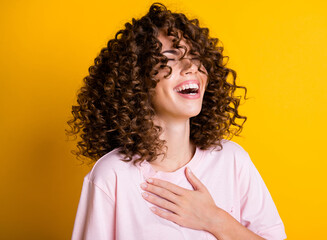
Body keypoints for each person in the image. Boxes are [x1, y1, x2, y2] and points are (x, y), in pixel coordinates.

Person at [67, 2, 287, 240]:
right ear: (137, 80)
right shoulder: (111, 176)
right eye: (170, 58)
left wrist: (215, 219)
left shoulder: (233, 160)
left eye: (195, 57)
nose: (191, 66)